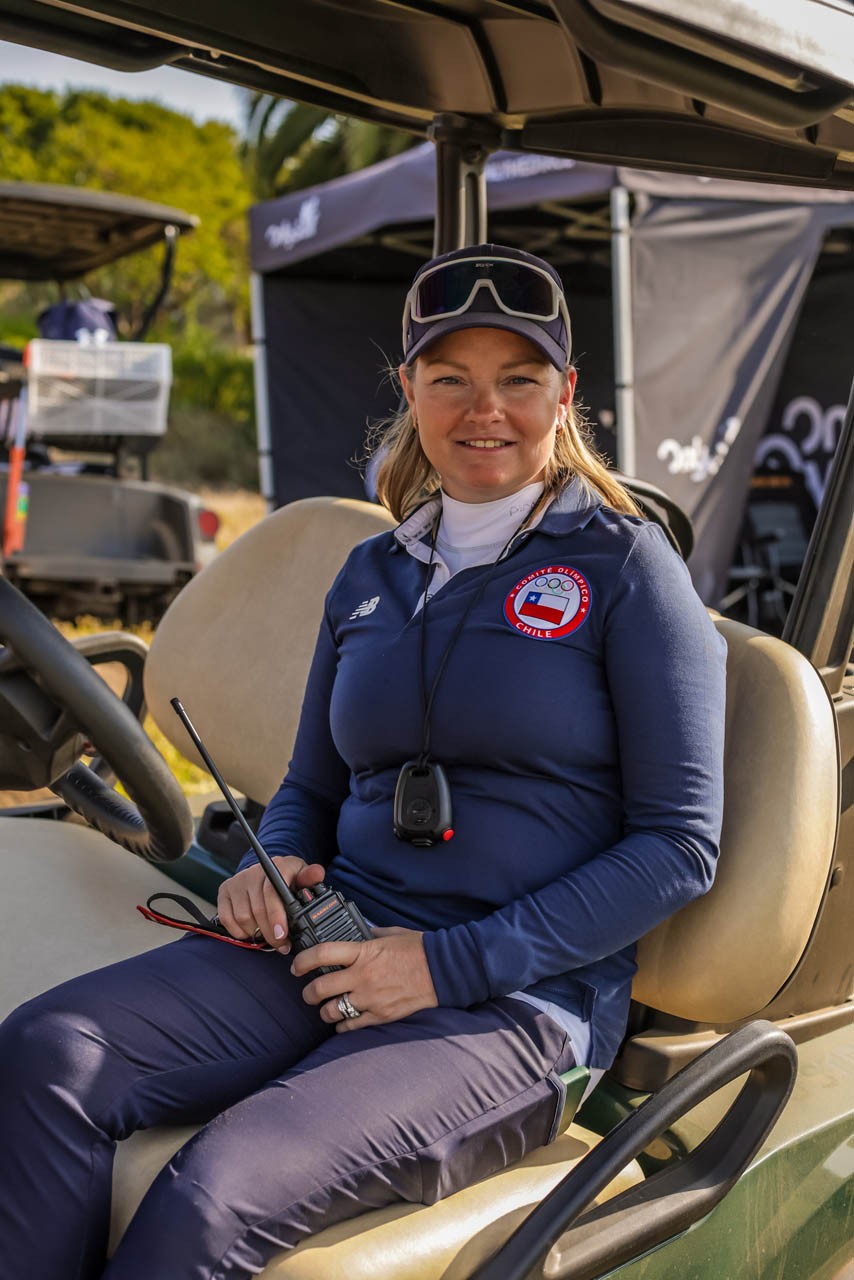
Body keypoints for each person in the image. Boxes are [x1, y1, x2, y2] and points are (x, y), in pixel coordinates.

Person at [0, 243, 727, 1280]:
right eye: (451, 379)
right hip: (333, 940)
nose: (485, 410)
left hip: (518, 999)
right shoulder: (372, 571)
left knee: (214, 1193)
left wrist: (441, 966)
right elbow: (309, 785)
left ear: (565, 394)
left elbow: (678, 846)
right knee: (49, 1054)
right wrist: (276, 863)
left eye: (519, 380)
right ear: (410, 391)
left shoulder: (624, 567)